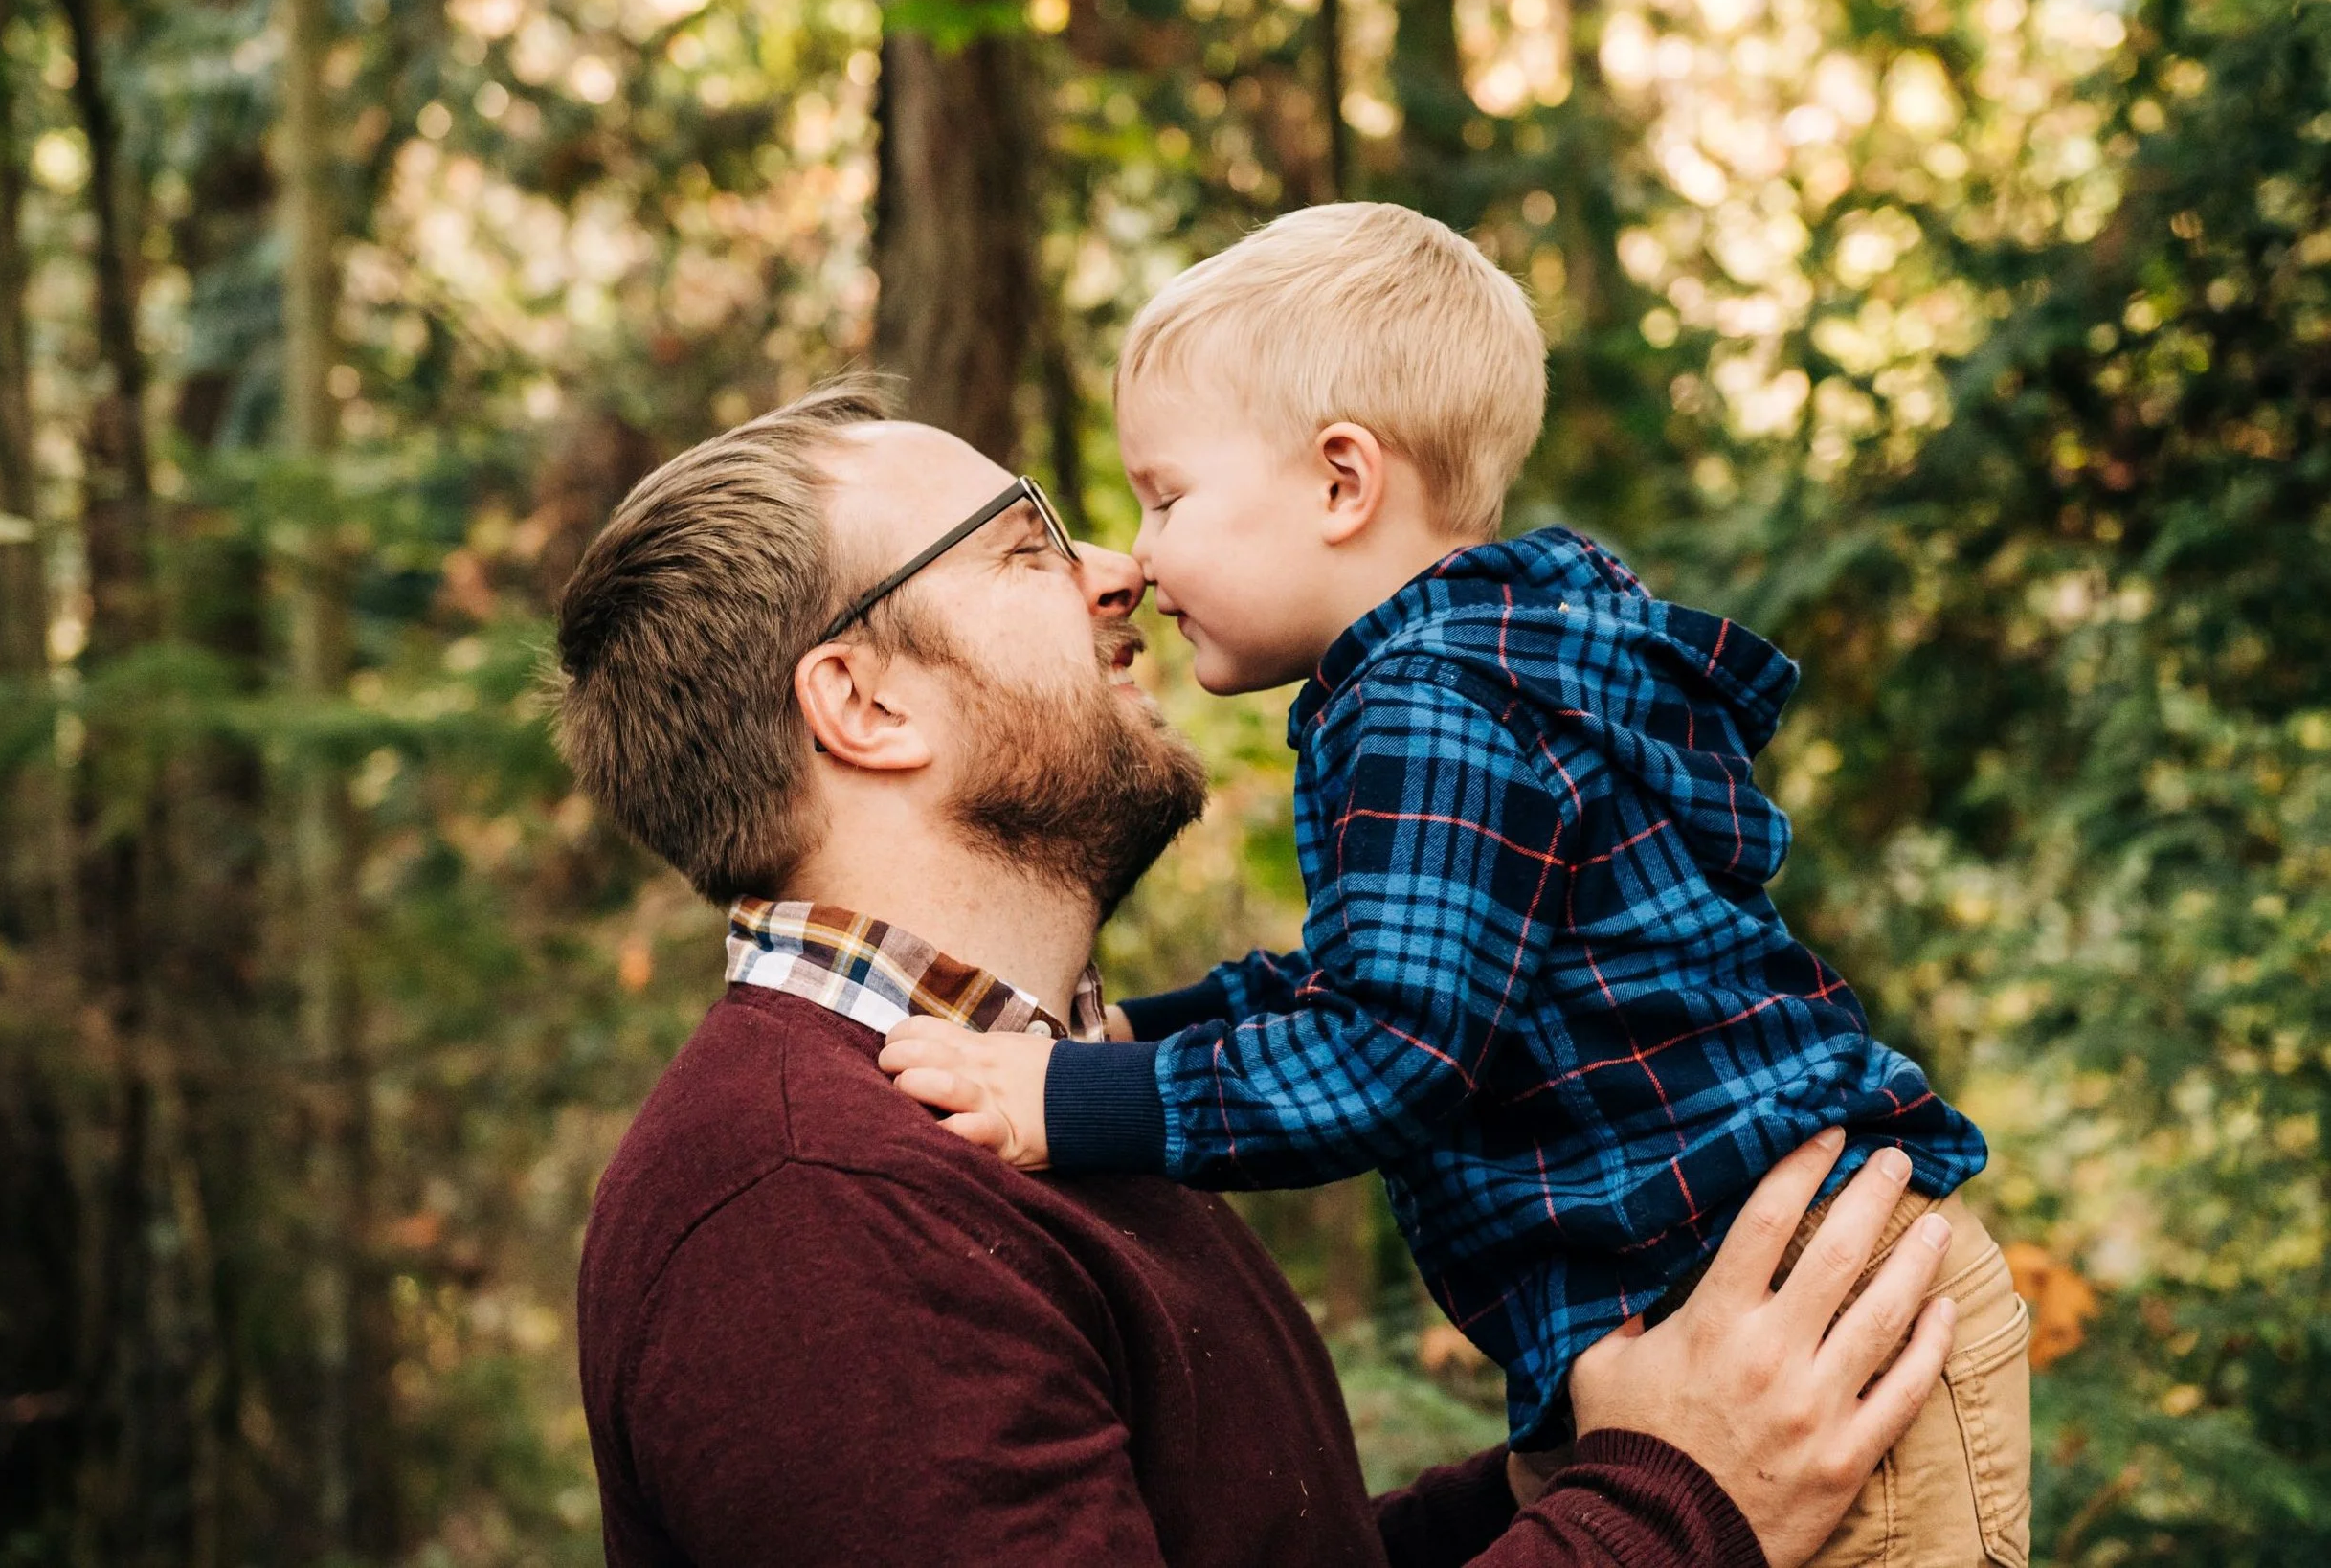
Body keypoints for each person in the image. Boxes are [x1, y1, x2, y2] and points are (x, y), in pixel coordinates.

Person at [553, 380, 1962, 1567]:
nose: (1121, 570)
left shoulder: (1025, 1113)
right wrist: (1673, 1505)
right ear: (864, 702)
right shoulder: (806, 1210)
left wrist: (1560, 1485)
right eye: (1022, 543)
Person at [875, 205, 2030, 1566]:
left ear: (1341, 483)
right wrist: (1146, 1028)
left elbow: (1393, 1052)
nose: (1139, 557)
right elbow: (1370, 985)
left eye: (1167, 497)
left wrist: (1067, 1097)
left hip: (1819, 1325)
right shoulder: (1481, 669)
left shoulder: (1430, 702)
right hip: (1757, 1311)